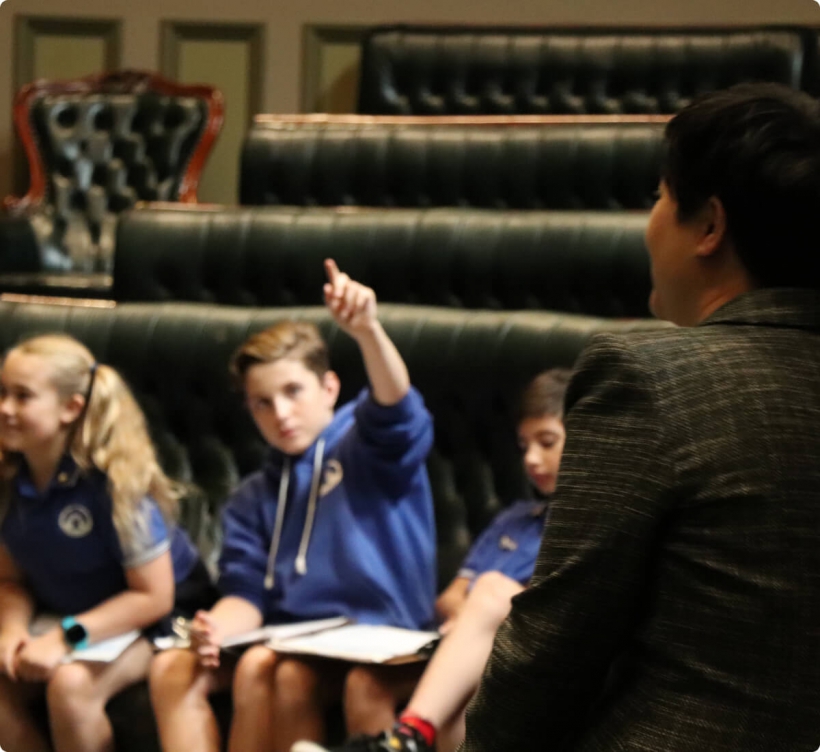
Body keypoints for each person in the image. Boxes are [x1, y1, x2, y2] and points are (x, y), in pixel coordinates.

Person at [461, 82, 820, 752]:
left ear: (709, 225)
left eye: (659, 196)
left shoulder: (649, 374)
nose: (649, 218)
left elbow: (555, 643)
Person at [149, 259, 436, 752]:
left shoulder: (364, 445)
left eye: (292, 392)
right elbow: (246, 596)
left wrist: (367, 331)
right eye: (262, 402)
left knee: (273, 669)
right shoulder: (253, 496)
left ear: (329, 388)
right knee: (190, 665)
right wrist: (216, 626)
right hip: (297, 641)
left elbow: (397, 409)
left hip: (386, 639)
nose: (280, 414)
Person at [292, 368, 571, 752]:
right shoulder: (516, 520)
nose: (532, 459)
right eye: (524, 446)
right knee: (364, 682)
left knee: (489, 595)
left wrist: (487, 614)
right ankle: (397, 741)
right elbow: (450, 598)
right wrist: (469, 618)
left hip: (526, 661)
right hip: (459, 650)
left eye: (548, 442)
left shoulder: (590, 526)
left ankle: (406, 738)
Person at [0, 333, 210, 752]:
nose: (5, 409)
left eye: (22, 397)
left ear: (71, 408)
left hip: (158, 616)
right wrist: (11, 632)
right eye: (1, 393)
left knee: (71, 685)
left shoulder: (116, 485)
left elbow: (153, 597)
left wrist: (63, 639)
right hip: (68, 611)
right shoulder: (7, 480)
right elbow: (11, 580)